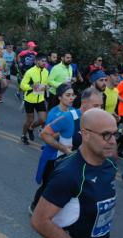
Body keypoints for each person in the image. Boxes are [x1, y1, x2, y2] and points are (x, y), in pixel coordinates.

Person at [31, 109, 118, 237]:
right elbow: (39, 221)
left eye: (115, 134)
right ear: (86, 134)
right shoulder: (68, 174)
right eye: (106, 135)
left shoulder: (110, 163)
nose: (113, 141)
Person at [30, 83, 78, 211]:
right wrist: (63, 129)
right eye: (68, 95)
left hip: (66, 155)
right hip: (52, 155)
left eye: (73, 95)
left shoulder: (72, 111)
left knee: (59, 185)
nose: (71, 98)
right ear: (60, 97)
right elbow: (46, 134)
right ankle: (34, 206)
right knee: (47, 184)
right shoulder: (54, 113)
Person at [19, 54, 49, 145]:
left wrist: (47, 87)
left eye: (45, 61)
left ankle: (31, 128)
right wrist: (31, 87)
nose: (44, 63)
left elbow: (46, 83)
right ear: (37, 61)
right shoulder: (30, 72)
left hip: (40, 99)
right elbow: (22, 85)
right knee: (29, 120)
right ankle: (23, 135)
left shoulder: (46, 72)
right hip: (30, 100)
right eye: (42, 61)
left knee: (42, 120)